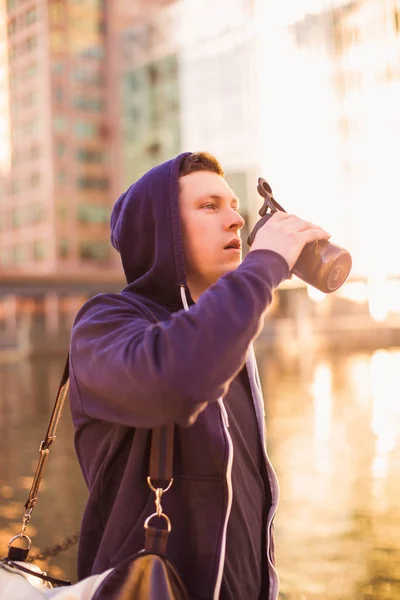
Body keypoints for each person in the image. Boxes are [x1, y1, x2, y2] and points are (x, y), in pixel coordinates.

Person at [69, 151, 330, 600]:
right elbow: (174, 379)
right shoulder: (105, 322)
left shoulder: (228, 341)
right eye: (209, 206)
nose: (236, 221)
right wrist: (265, 264)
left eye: (234, 207)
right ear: (160, 229)